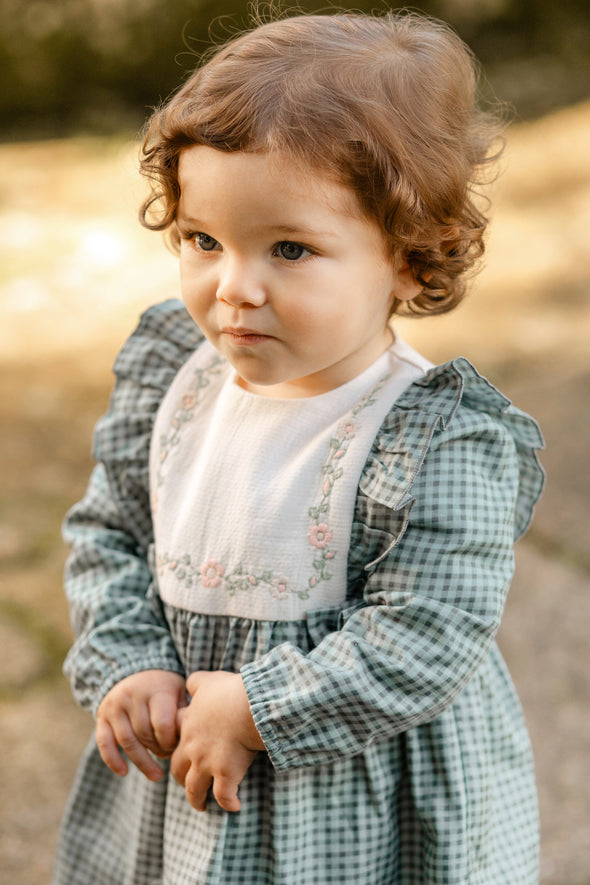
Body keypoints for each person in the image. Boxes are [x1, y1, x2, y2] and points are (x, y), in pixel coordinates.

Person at [52, 11, 545, 885]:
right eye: (203, 240)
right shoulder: (175, 375)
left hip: (351, 795)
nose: (235, 287)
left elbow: (427, 632)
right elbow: (111, 534)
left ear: (406, 259)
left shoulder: (434, 433)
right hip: (184, 761)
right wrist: (131, 660)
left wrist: (258, 707)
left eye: (290, 248)